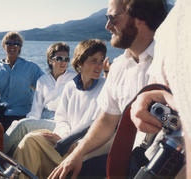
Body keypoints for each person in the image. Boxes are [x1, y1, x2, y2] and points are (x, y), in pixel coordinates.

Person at [48, 0, 167, 178]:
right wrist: (76, 155)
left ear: (139, 18)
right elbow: (106, 121)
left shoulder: (170, 61)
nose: (107, 26)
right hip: (131, 159)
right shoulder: (118, 67)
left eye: (112, 18)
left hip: (166, 163)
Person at [13, 39, 107, 179]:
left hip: (86, 149)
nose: (99, 66)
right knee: (30, 140)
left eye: (101, 61)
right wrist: (63, 138)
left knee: (27, 132)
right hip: (67, 141)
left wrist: (75, 145)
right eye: (94, 60)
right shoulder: (71, 87)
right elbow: (62, 119)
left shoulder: (106, 87)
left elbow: (103, 127)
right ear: (80, 62)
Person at [130, 0, 191, 178]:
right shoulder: (168, 27)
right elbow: (158, 88)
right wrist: (148, 99)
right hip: (161, 158)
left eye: (113, 17)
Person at [3, 42, 76, 155]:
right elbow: (36, 109)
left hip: (61, 120)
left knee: (21, 126)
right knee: (17, 126)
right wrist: (31, 122)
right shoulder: (42, 80)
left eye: (66, 59)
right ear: (50, 60)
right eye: (59, 58)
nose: (63, 62)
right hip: (43, 117)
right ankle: (6, 159)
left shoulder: (75, 78)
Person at [0, 32, 43, 131]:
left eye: (16, 44)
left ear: (20, 47)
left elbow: (45, 85)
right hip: (1, 109)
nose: (12, 46)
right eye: (9, 43)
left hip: (22, 112)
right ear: (3, 46)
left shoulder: (30, 67)